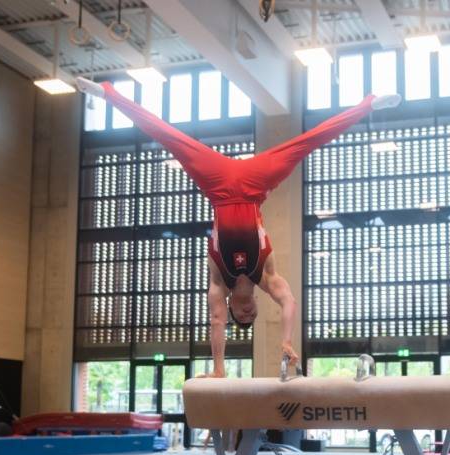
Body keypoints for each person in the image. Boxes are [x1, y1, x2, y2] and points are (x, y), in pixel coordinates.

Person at [76, 78, 401, 376]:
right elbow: (289, 302)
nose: (245, 313)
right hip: (254, 187)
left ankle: (109, 94)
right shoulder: (267, 277)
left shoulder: (219, 282)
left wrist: (219, 369)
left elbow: (216, 321)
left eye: (240, 317)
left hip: (218, 187)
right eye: (251, 316)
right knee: (306, 144)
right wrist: (287, 342)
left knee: (169, 136)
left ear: (232, 307)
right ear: (257, 306)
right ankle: (367, 105)